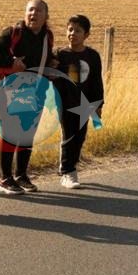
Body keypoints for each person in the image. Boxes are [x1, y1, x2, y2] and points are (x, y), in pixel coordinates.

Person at [0, 0, 56, 194]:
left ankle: (21, 175)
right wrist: (11, 63)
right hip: (11, 90)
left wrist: (52, 63)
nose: (33, 14)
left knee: (27, 135)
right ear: (25, 13)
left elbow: (45, 57)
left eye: (38, 10)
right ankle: (5, 179)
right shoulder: (12, 33)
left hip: (36, 91)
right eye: (30, 10)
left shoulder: (47, 36)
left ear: (46, 15)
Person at [54, 15, 104, 189]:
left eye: (78, 31)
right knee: (69, 135)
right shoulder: (59, 54)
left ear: (86, 35)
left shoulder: (92, 56)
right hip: (65, 102)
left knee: (80, 137)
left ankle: (68, 166)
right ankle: (68, 172)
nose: (73, 34)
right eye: (70, 30)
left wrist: (98, 105)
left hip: (85, 104)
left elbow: (97, 82)